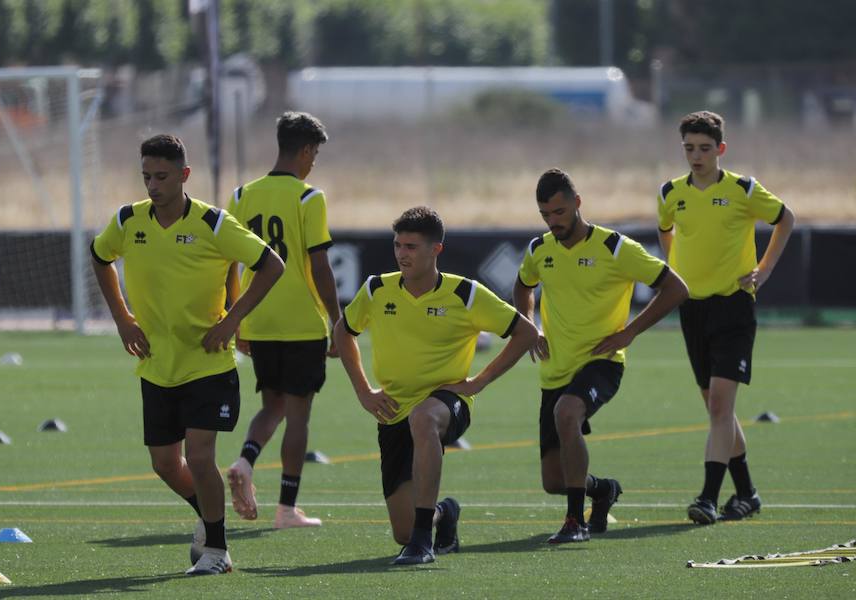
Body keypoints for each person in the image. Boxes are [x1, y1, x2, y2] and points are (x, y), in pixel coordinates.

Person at [90, 134, 285, 575]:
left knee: (199, 457)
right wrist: (122, 318)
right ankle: (209, 514)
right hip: (157, 363)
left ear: (184, 175)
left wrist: (232, 321)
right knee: (164, 464)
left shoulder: (214, 224)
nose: (152, 186)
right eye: (146, 177)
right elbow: (100, 256)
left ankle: (217, 552)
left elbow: (271, 264)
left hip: (208, 361)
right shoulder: (127, 221)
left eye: (161, 176)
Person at [333, 206, 537, 565]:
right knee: (401, 529)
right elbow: (342, 332)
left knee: (424, 418)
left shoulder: (466, 294)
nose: (401, 253)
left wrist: (480, 381)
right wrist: (364, 392)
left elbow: (525, 332)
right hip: (392, 409)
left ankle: (423, 541)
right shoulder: (377, 289)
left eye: (411, 246)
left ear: (435, 250)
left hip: (446, 403)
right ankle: (441, 515)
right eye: (398, 245)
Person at [514, 169, 688, 543]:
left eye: (559, 212)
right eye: (545, 215)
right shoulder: (539, 250)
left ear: (577, 204)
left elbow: (676, 288)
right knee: (553, 481)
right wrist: (530, 327)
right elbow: (522, 286)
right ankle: (602, 490)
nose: (553, 221)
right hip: (554, 369)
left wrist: (630, 332)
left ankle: (575, 523)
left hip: (602, 362)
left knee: (567, 412)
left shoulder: (615, 248)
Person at [657, 111, 795, 525]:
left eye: (703, 148)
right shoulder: (670, 193)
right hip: (692, 309)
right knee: (718, 409)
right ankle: (748, 493)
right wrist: (675, 268)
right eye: (688, 148)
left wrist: (764, 270)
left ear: (720, 149)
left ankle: (708, 498)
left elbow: (786, 219)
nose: (695, 156)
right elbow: (665, 229)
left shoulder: (743, 189)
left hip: (733, 305)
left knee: (720, 405)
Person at [224, 111, 340, 529]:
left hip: (258, 320)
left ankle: (245, 460)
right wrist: (337, 320)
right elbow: (321, 265)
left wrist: (236, 319)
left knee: (270, 404)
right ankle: (287, 508)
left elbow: (231, 266)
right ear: (306, 149)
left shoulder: (240, 196)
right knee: (298, 413)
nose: (314, 163)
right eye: (315, 154)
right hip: (302, 323)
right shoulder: (310, 198)